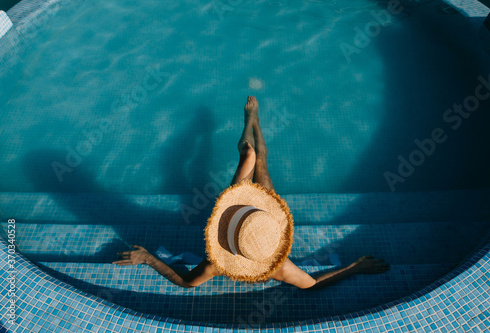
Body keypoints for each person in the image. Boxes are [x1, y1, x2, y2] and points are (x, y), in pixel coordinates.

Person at [113, 96, 390, 289]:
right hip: (256, 214)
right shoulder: (281, 268)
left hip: (250, 213)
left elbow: (186, 282)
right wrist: (356, 267)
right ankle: (252, 120)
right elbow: (313, 284)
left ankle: (251, 121)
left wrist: (148, 258)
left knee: (252, 156)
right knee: (258, 158)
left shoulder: (215, 265)